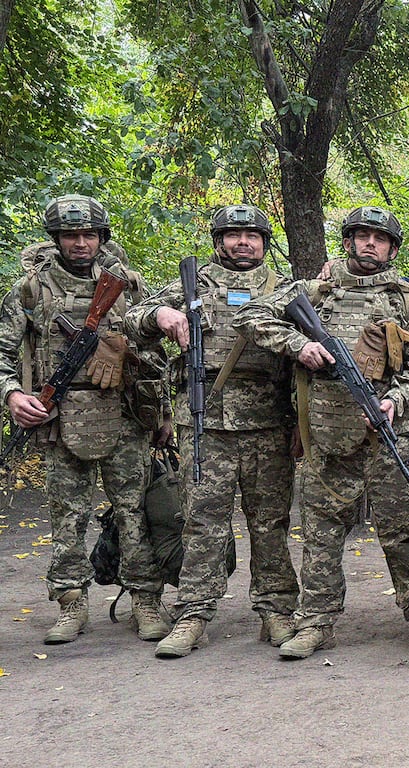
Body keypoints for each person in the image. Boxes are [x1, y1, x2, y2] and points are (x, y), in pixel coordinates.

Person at [234, 205, 409, 661]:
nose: (370, 244)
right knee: (320, 536)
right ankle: (316, 623)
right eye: (362, 235)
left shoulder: (408, 300)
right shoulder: (314, 291)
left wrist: (395, 400)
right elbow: (250, 316)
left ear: (392, 249)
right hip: (327, 440)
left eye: (380, 238)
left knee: (406, 533)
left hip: (391, 440)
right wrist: (299, 344)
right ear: (348, 241)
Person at [126, 204, 300, 657]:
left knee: (271, 522)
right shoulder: (193, 284)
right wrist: (160, 316)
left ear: (264, 243)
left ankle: (277, 610)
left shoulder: (285, 288)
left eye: (252, 235)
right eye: (233, 235)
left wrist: (303, 424)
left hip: (269, 423)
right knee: (202, 523)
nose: (243, 242)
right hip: (205, 422)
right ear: (218, 241)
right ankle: (194, 614)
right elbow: (133, 321)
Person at [0, 194, 170, 644]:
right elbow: (2, 352)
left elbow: (156, 355)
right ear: (56, 239)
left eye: (89, 234)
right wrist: (12, 393)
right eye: (70, 235)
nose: (80, 243)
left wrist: (163, 414)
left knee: (134, 512)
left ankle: (145, 599)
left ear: (101, 237)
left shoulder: (127, 284)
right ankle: (71, 601)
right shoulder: (30, 291)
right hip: (59, 416)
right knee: (67, 516)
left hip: (124, 414)